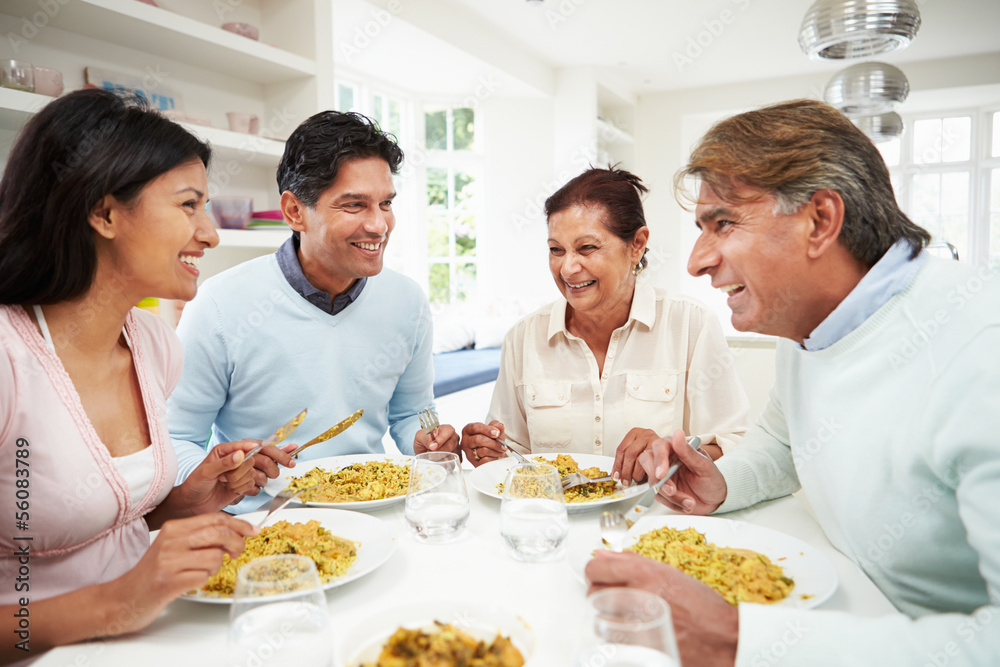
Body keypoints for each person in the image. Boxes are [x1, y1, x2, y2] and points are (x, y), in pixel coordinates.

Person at [586, 100, 1000, 666]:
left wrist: (739, 642)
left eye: (723, 223)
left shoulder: (980, 346)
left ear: (821, 220)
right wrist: (721, 484)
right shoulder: (808, 325)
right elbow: (784, 444)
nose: (696, 261)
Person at [0, 89, 262, 663]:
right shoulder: (7, 362)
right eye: (189, 205)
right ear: (103, 212)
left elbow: (107, 520)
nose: (212, 233)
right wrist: (117, 602)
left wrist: (188, 502)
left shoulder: (153, 346)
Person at [168, 110, 461, 513]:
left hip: (375, 511)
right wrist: (226, 471)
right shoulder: (219, 305)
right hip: (259, 524)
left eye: (386, 203)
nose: (379, 225)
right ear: (294, 211)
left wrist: (426, 441)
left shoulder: (407, 302)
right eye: (355, 205)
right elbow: (177, 439)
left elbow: (411, 412)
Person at [461, 167, 749, 484]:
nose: (568, 268)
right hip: (553, 525)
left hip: (651, 523)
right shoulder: (523, 338)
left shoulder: (690, 324)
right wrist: (487, 449)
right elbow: (512, 453)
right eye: (556, 249)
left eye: (587, 248)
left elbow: (735, 445)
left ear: (636, 245)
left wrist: (671, 452)